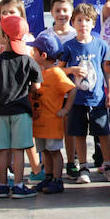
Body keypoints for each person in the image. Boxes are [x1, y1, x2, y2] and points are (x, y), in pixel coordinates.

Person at [0, 14, 43, 198]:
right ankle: (18, 185)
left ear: (5, 36)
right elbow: (37, 85)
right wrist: (28, 91)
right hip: (21, 111)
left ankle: (2, 185)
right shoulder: (28, 60)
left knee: (0, 149)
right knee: (18, 149)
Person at [61, 3, 110, 183]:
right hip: (76, 99)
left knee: (104, 132)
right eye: (79, 20)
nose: (83, 23)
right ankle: (83, 166)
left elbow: (107, 70)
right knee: (79, 133)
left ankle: (108, 164)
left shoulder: (100, 45)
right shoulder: (69, 46)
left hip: (97, 98)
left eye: (87, 20)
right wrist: (72, 70)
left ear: (93, 23)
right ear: (73, 23)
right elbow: (59, 70)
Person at [28, 33, 77, 193]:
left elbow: (71, 89)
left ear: (42, 55)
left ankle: (57, 180)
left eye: (34, 52)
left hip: (52, 122)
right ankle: (48, 177)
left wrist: (66, 109)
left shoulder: (56, 73)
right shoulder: (39, 72)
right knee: (45, 152)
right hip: (40, 122)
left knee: (54, 152)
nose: (32, 54)